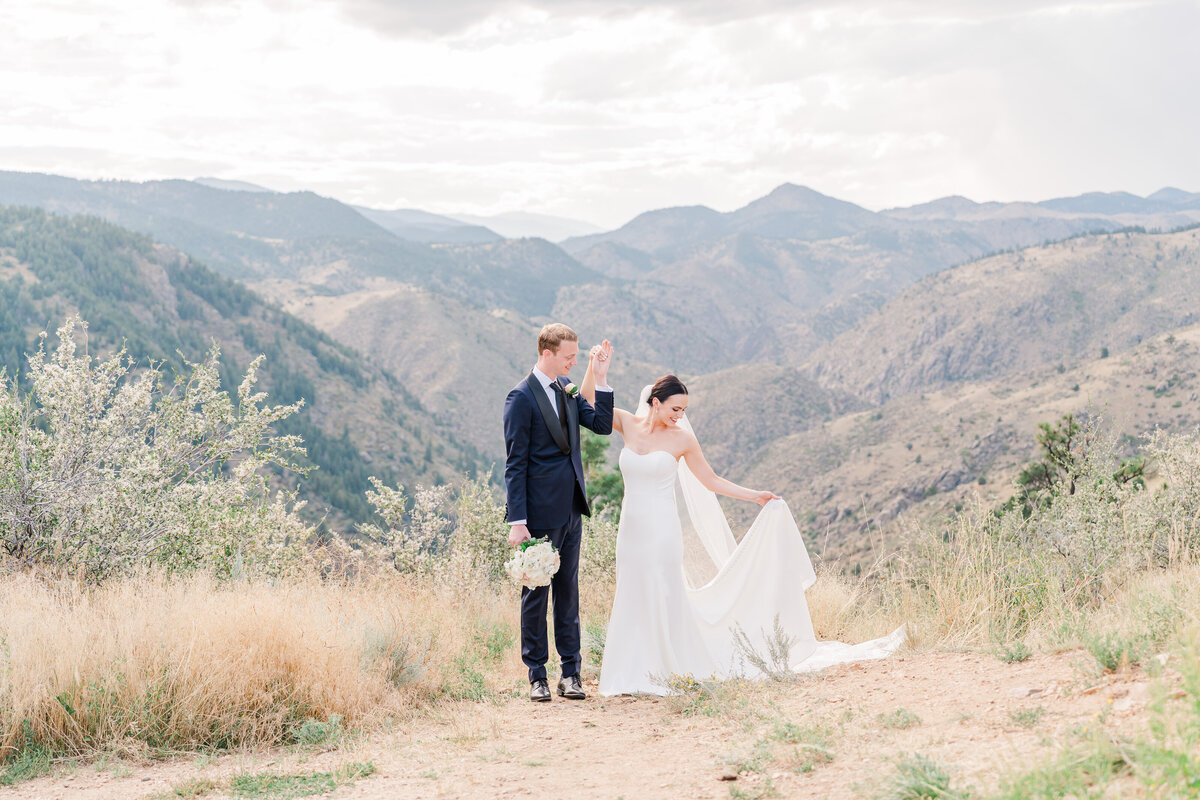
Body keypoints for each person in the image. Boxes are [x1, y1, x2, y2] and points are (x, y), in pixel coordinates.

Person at [577, 355, 904, 696]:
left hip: (662, 532)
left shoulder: (682, 440)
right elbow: (586, 403)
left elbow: (712, 480)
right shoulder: (627, 423)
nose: (680, 417)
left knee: (662, 591)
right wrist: (595, 369)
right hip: (630, 531)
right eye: (675, 409)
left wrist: (755, 496)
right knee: (632, 591)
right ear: (655, 402)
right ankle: (631, 671)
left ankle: (669, 669)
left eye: (684, 411)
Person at [503, 324, 615, 702]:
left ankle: (572, 673)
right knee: (535, 593)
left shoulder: (566, 388)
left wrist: (599, 378)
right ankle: (537, 675)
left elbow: (600, 426)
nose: (572, 362)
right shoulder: (520, 397)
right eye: (568, 356)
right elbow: (515, 463)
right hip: (536, 514)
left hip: (572, 509)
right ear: (547, 353)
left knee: (568, 592)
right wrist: (517, 522)